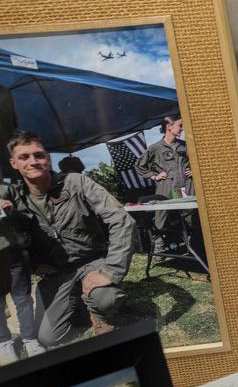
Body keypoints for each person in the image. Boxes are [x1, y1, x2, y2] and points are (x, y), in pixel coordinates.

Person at [7, 131, 135, 345]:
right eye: (24, 157)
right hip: (58, 273)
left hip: (92, 262)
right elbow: (17, 245)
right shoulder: (16, 201)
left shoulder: (76, 182)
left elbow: (121, 220)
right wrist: (35, 265)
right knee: (47, 338)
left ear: (48, 158)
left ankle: (101, 311)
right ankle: (81, 302)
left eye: (39, 155)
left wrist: (112, 271)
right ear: (14, 163)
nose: (33, 162)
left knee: (105, 298)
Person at [0, 182, 43, 364]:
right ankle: (3, 343)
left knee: (23, 298)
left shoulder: (7, 189)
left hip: (15, 253)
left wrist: (12, 211)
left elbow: (29, 219)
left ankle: (29, 339)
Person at [134, 115, 194, 244]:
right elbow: (139, 165)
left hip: (184, 186)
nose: (182, 129)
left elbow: (196, 161)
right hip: (167, 187)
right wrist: (154, 175)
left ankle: (191, 243)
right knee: (161, 219)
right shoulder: (155, 148)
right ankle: (159, 242)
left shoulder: (185, 146)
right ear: (169, 127)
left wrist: (194, 170)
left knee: (189, 216)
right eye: (180, 125)